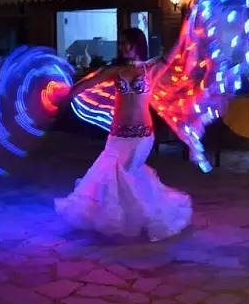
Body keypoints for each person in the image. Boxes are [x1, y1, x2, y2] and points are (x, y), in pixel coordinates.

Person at [54, 28, 193, 242]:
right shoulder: (115, 70)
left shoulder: (149, 69)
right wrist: (64, 95)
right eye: (121, 43)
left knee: (127, 172)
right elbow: (88, 83)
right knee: (110, 174)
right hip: (117, 135)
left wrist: (185, 27)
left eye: (127, 43)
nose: (124, 47)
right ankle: (120, 218)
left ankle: (148, 216)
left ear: (138, 44)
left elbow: (171, 54)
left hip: (142, 135)